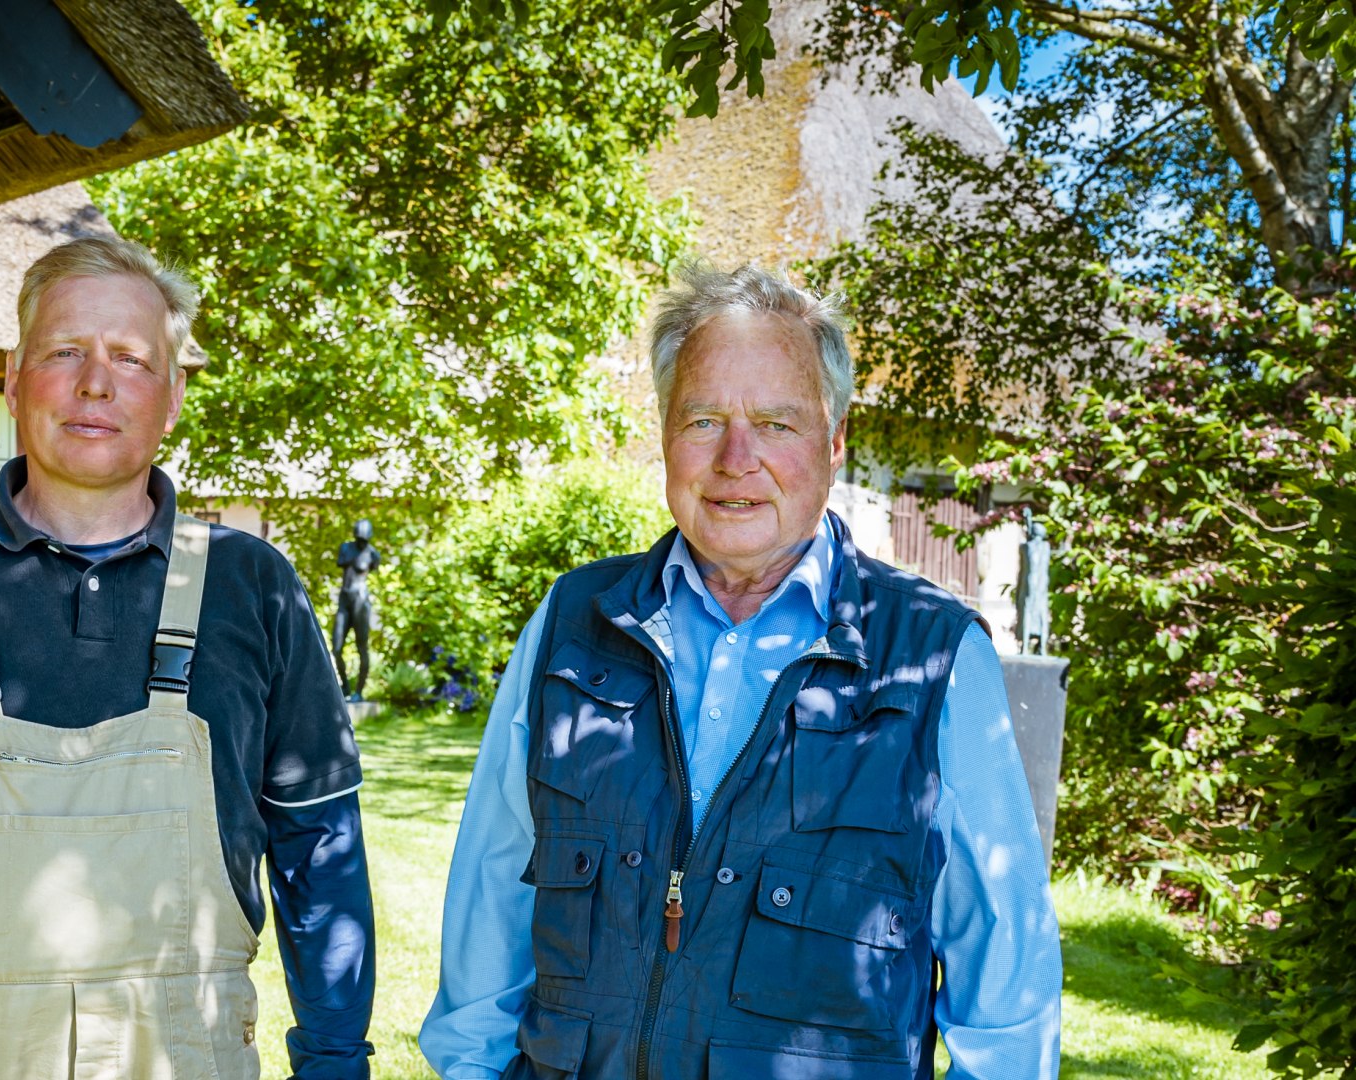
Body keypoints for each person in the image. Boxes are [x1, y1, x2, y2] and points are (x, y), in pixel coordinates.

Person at [419, 263, 1061, 1078]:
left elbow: (1004, 981)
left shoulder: (932, 653)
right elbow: (494, 886)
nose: (736, 458)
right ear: (665, 435)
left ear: (834, 444)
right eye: (704, 420)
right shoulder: (573, 621)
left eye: (775, 423)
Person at [0, 235, 375, 1080]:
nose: (96, 383)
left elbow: (320, 848)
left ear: (174, 396)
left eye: (131, 358)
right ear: (14, 378)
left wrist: (336, 1063)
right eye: (65, 352)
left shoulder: (253, 586)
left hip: (185, 1054)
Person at [332, 519, 381, 701]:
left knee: (362, 646)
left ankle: (359, 692)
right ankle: (345, 687)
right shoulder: (346, 548)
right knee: (337, 647)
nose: (362, 543)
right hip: (344, 599)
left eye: (364, 540)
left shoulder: (372, 553)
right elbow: (341, 562)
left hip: (361, 600)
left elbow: (373, 566)